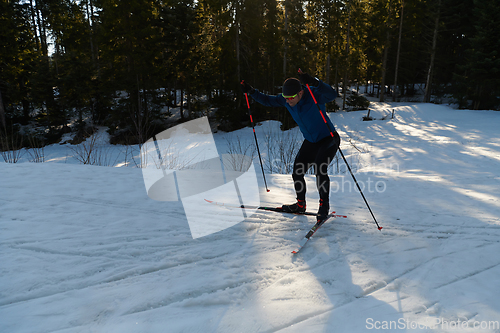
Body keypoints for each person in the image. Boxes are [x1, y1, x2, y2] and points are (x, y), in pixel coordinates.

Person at [241, 71, 341, 222]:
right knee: (297, 172)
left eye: (291, 98)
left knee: (320, 169)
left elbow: (332, 94)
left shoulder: (314, 95)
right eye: (286, 98)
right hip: (311, 141)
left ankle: (323, 206)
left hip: (329, 139)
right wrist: (252, 91)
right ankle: (300, 205)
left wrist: (315, 82)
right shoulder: (287, 99)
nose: (288, 101)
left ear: (300, 92)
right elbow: (268, 100)